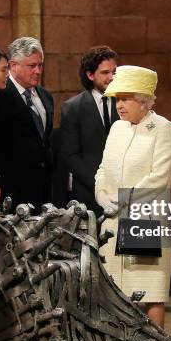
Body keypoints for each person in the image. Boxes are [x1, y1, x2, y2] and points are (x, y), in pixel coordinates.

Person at [95, 65, 171, 328]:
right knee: (115, 288)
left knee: (148, 289)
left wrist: (123, 198)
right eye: (117, 99)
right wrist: (101, 194)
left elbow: (159, 177)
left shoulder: (163, 128)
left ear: (143, 100)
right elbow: (103, 168)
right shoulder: (117, 128)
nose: (120, 105)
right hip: (113, 220)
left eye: (126, 98)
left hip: (145, 217)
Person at [0, 36, 54, 211]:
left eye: (40, 65)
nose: (38, 71)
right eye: (31, 66)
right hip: (11, 190)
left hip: (44, 191)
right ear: (13, 66)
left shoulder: (46, 97)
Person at [60, 45, 119, 214]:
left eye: (114, 72)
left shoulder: (127, 103)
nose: (111, 77)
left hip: (121, 194)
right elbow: (71, 156)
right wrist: (100, 188)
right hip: (87, 195)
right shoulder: (72, 108)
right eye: (105, 73)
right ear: (90, 74)